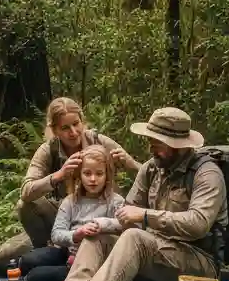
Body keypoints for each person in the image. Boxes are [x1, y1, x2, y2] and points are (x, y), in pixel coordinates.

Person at [35, 107, 228, 281]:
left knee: (135, 237)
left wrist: (145, 216)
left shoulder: (207, 173)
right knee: (101, 237)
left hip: (198, 263)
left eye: (157, 142)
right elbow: (128, 211)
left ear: (178, 144)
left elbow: (199, 224)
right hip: (156, 254)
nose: (151, 147)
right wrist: (106, 223)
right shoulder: (152, 168)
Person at [0, 144, 125, 281]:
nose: (93, 179)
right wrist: (76, 234)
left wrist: (102, 224)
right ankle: (19, 277)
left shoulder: (115, 201)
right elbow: (57, 234)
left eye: (99, 174)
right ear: (79, 175)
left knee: (39, 275)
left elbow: (124, 224)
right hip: (67, 252)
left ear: (108, 175)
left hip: (90, 264)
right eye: (87, 173)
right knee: (29, 260)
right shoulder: (71, 201)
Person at [8, 97, 140, 258]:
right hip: (66, 215)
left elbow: (146, 173)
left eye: (76, 124)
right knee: (24, 208)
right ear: (55, 130)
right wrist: (58, 175)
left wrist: (129, 163)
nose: (73, 132)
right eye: (65, 128)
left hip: (103, 212)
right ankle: (49, 251)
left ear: (82, 121)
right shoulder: (49, 151)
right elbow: (26, 191)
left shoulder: (98, 141)